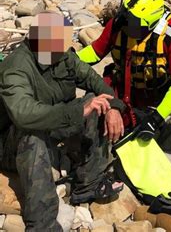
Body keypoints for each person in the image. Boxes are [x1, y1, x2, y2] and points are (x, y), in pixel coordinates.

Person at [0, 12, 125, 232]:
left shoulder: (61, 55)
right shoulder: (16, 67)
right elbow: (23, 114)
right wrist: (76, 111)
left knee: (97, 104)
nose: (63, 49)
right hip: (10, 142)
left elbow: (93, 81)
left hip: (52, 124)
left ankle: (88, 183)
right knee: (33, 134)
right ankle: (42, 224)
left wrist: (113, 107)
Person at [78, 0, 171, 167]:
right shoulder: (118, 24)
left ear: (150, 24)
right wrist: (71, 60)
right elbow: (95, 52)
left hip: (158, 89)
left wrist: (156, 119)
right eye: (126, 16)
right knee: (98, 111)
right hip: (125, 87)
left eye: (133, 22)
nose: (126, 24)